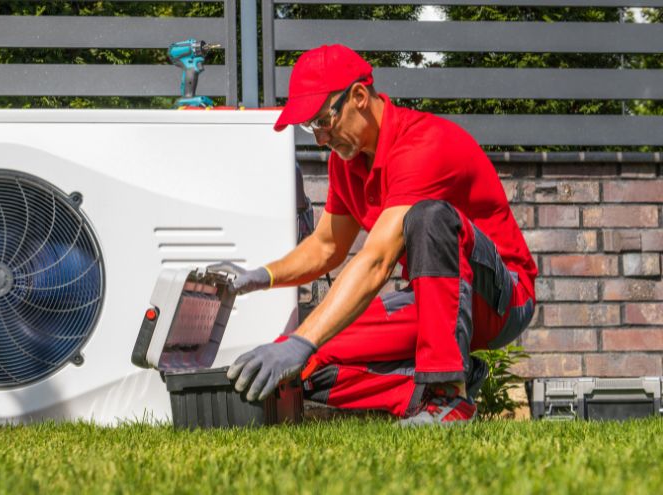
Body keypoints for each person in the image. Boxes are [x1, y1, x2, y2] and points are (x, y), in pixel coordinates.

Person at [209, 44, 536, 426]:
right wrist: (259, 277)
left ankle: (448, 396)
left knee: (428, 217)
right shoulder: (346, 163)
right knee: (305, 367)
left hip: (501, 298)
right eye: (309, 127)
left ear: (359, 97)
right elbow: (325, 246)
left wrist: (303, 339)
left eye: (322, 121)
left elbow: (377, 259)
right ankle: (439, 386)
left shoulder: (424, 144)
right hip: (433, 302)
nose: (319, 138)